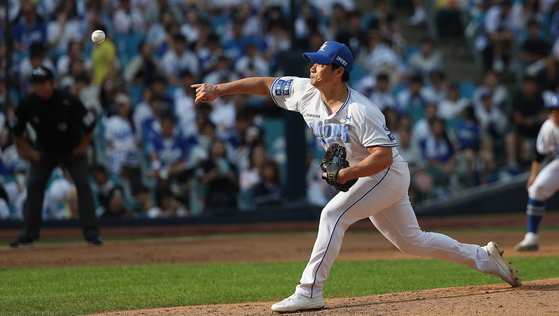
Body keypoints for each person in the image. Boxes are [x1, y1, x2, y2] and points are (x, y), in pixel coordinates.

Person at [192, 40, 522, 313]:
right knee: (412, 242)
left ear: (339, 72)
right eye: (314, 62)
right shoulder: (305, 91)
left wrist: (347, 172)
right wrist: (219, 90)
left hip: (386, 172)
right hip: (373, 174)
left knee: (332, 214)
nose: (312, 67)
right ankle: (485, 257)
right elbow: (265, 84)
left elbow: (384, 156)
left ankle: (309, 291)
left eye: (321, 64)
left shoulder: (361, 110)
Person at [9, 67, 103, 247]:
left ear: (52, 83)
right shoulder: (28, 103)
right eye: (36, 83)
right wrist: (28, 153)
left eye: (43, 83)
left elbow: (90, 124)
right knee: (34, 184)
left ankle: (92, 234)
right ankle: (27, 235)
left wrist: (83, 147)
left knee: (83, 183)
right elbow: (16, 132)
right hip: (44, 151)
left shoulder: (68, 101)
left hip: (72, 149)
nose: (39, 87)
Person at [514, 95, 559, 251]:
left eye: (558, 111)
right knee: (536, 188)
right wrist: (534, 176)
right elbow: (539, 154)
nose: (555, 115)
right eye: (552, 111)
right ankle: (531, 237)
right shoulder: (549, 127)